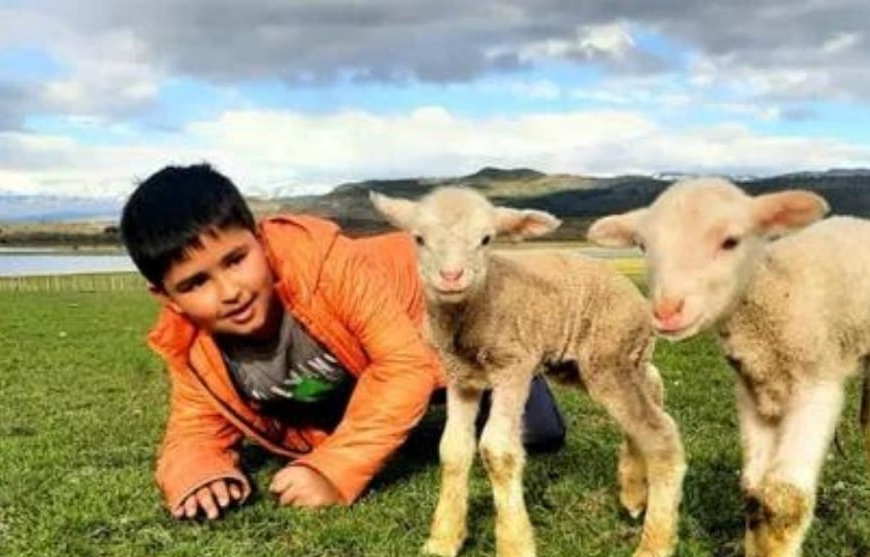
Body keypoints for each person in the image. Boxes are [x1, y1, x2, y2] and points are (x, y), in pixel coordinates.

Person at [120, 163, 566, 521]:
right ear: (168, 298)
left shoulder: (325, 264)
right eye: (196, 282)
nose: (230, 291)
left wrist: (333, 470)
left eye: (236, 260)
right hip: (355, 379)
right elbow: (196, 426)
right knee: (381, 423)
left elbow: (403, 365)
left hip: (434, 324)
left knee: (537, 430)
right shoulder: (192, 343)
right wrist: (200, 475)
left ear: (259, 240)